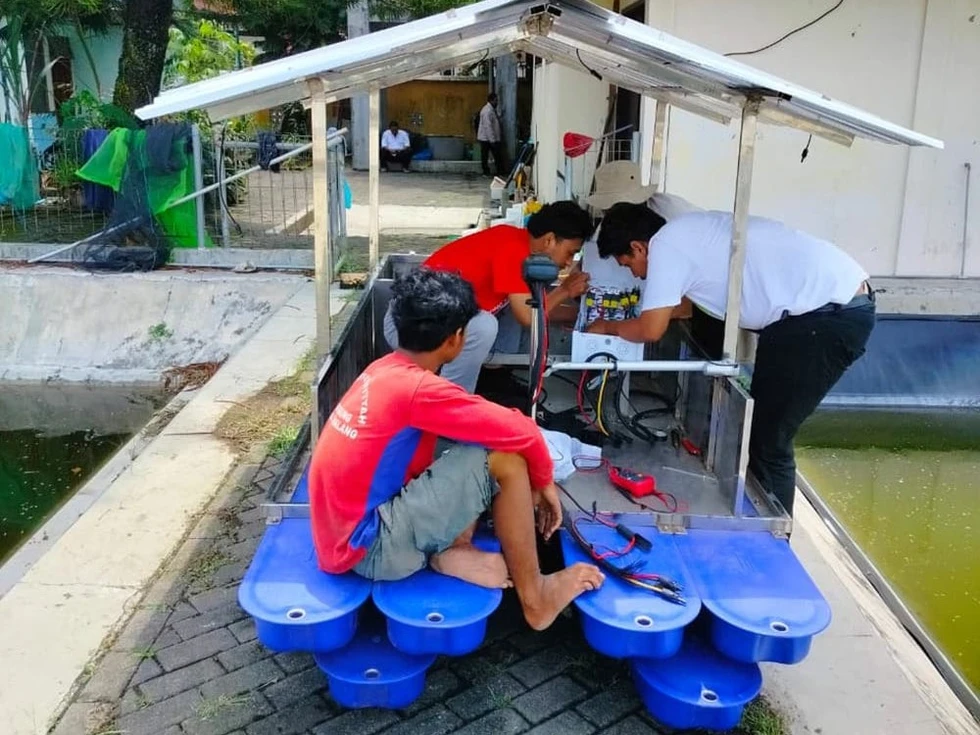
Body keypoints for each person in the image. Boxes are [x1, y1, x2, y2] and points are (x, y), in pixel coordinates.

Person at [308, 268, 605, 630]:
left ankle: (452, 550)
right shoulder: (417, 389)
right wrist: (545, 483)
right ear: (455, 338)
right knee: (507, 460)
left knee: (480, 437)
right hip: (371, 548)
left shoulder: (384, 369)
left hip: (342, 538)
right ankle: (537, 598)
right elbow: (523, 432)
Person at [589, 202, 876, 515]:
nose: (635, 274)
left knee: (769, 440)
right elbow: (681, 308)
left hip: (824, 318)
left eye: (628, 265)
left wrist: (605, 327)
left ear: (638, 247)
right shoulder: (686, 233)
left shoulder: (665, 247)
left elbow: (651, 329)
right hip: (824, 309)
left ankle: (774, 533)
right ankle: (764, 519)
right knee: (763, 432)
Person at [383, 200, 596, 393]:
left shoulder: (519, 244)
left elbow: (535, 308)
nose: (569, 262)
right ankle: (451, 397)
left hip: (437, 322)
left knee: (523, 304)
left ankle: (494, 376)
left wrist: (579, 315)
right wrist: (564, 290)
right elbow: (528, 316)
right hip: (408, 326)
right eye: (570, 253)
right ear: (549, 240)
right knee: (484, 325)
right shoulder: (513, 248)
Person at [477, 93, 507, 177]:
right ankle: (487, 172)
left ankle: (498, 171)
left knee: (494, 155)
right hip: (487, 138)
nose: (497, 102)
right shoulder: (487, 111)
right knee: (489, 155)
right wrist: (492, 140)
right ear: (491, 100)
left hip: (490, 138)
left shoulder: (491, 110)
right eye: (495, 100)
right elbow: (488, 127)